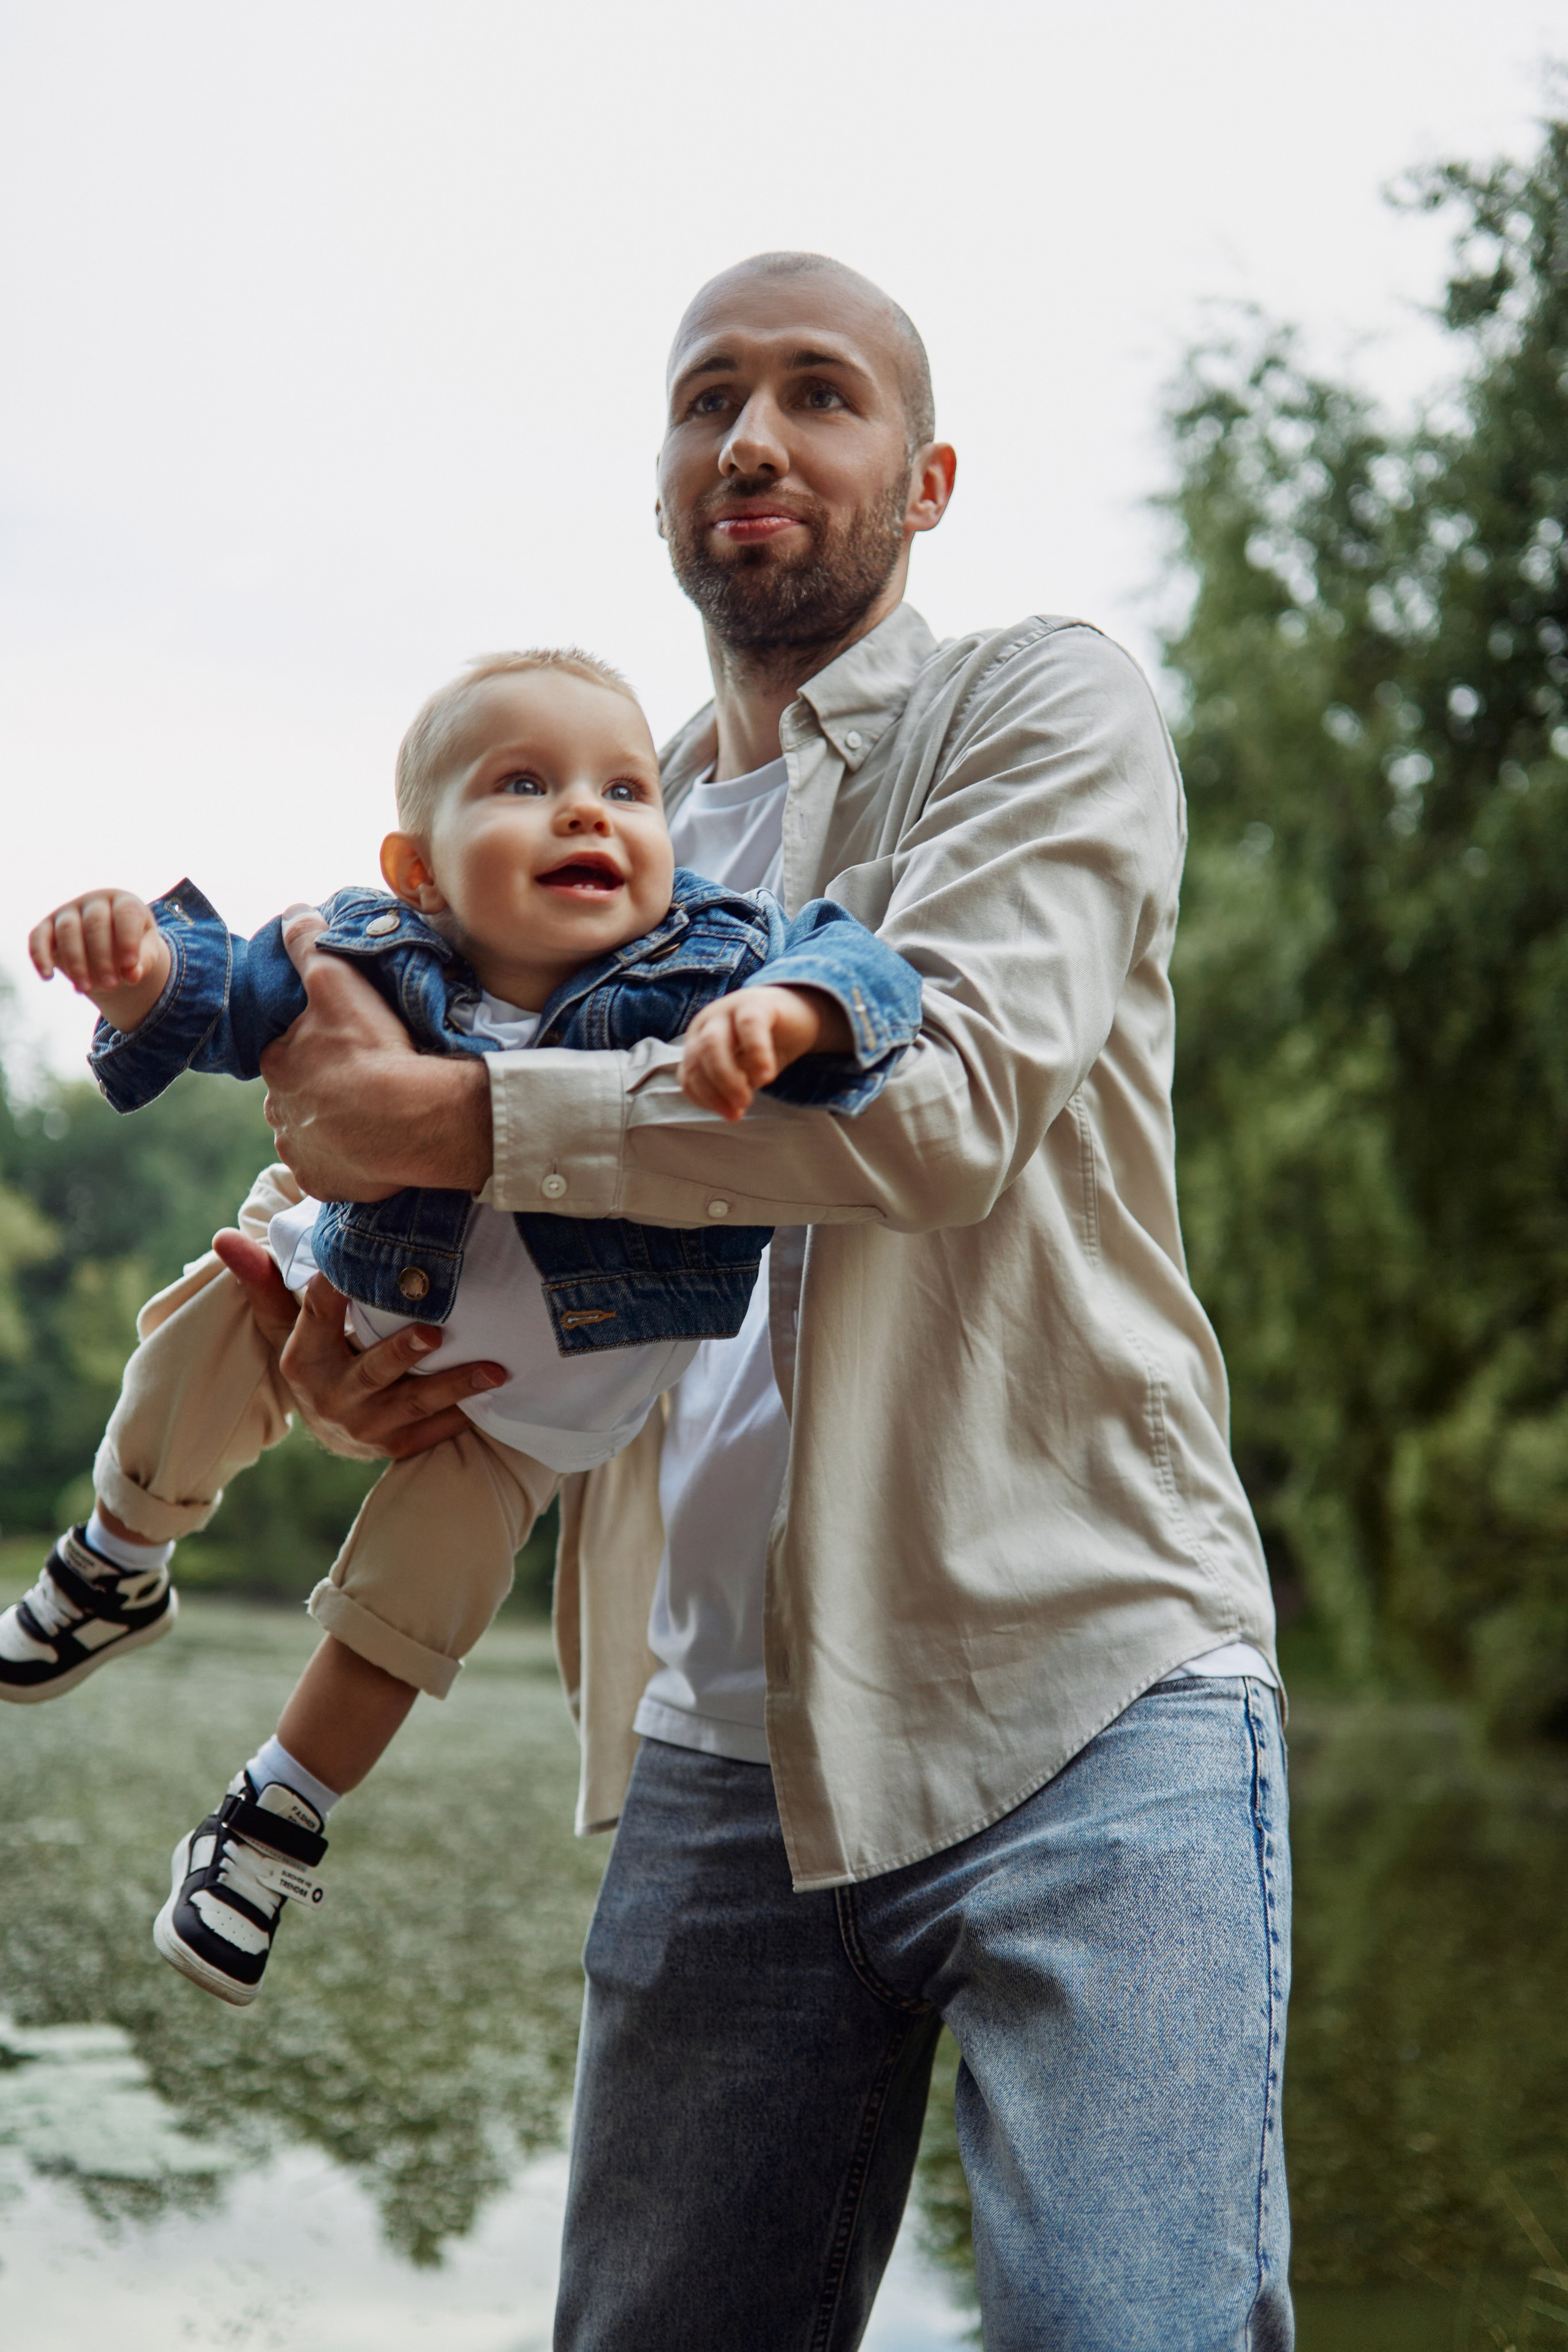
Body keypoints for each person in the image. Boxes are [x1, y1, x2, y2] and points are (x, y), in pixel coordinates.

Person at [76, 251, 1294, 2346]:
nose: (751, 434)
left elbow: (946, 1114)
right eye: (706, 396)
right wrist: (362, 1337)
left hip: (1088, 1692)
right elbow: (374, 1145)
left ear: (924, 482)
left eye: (820, 395)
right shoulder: (585, 819)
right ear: (660, 485)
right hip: (720, 1750)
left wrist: (456, 1122)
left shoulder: (1043, 705)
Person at [8, 644, 919, 2010]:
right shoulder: (372, 948)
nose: (587, 811)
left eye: (625, 788)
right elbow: (215, 997)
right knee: (214, 1318)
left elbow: (866, 968)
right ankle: (118, 1557)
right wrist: (134, 965)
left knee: (412, 1605)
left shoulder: (717, 955)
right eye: (524, 783)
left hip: (525, 1412)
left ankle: (272, 1817)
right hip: (345, 1280)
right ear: (421, 866)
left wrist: (788, 1014)